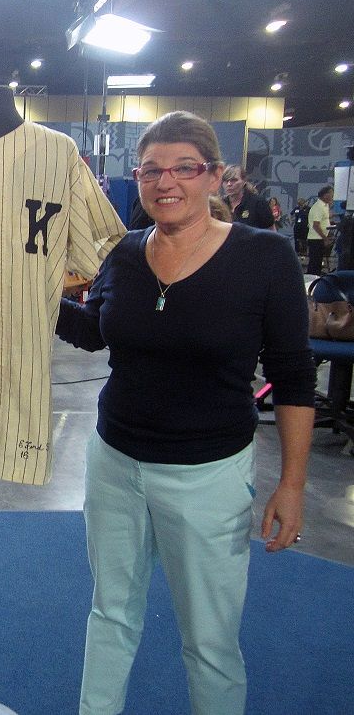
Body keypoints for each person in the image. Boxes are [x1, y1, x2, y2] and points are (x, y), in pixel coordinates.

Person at [57, 111, 315, 715]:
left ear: (215, 176)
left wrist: (294, 484)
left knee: (209, 639)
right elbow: (97, 331)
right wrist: (35, 298)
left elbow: (295, 375)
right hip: (115, 460)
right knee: (110, 611)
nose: (165, 183)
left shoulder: (265, 258)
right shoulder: (123, 252)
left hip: (208, 474)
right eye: (151, 170)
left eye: (183, 169)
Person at [222, 164, 274, 228]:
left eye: (234, 180)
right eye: (226, 180)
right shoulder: (220, 204)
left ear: (244, 181)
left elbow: (271, 231)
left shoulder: (258, 203)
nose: (229, 184)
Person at [306, 185, 333, 275]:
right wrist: (325, 238)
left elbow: (325, 219)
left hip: (319, 238)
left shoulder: (325, 206)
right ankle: (311, 280)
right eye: (331, 194)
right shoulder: (318, 207)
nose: (332, 196)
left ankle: (316, 277)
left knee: (318, 262)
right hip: (315, 239)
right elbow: (316, 225)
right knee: (314, 262)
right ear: (325, 195)